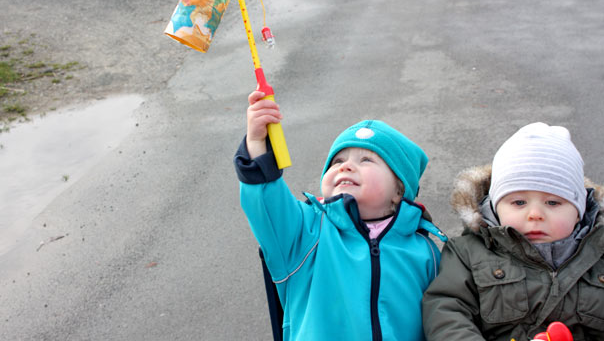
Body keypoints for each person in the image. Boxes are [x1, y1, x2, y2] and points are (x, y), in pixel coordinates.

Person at [234, 90, 447, 341]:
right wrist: (257, 144)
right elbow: (266, 201)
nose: (346, 166)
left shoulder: (425, 252)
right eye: (337, 161)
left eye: (367, 159)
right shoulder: (306, 233)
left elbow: (441, 324)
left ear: (399, 190)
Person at [422, 122, 604, 341]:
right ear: (494, 206)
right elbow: (447, 311)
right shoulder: (469, 253)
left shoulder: (598, 253)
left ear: (579, 210)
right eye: (519, 202)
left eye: (553, 203)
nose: (535, 214)